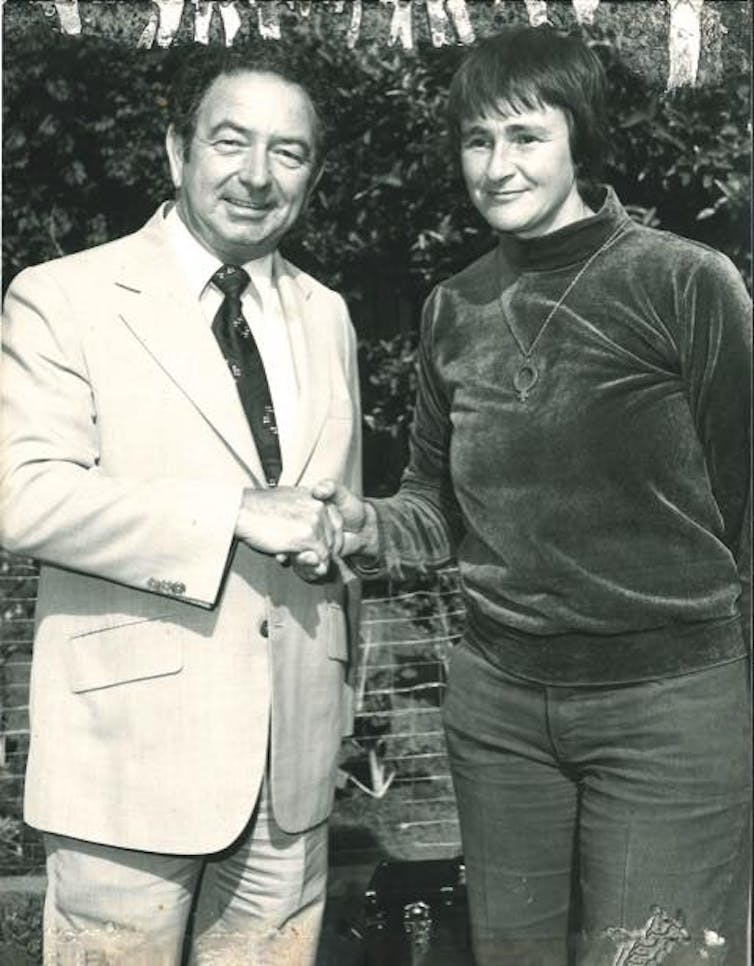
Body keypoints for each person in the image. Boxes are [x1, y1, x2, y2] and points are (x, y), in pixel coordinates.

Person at [312, 25, 752, 966]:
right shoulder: (452, 307)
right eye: (477, 140)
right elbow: (433, 505)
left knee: (654, 954)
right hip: (500, 709)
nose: (497, 166)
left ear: (578, 138)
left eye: (525, 136)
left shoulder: (684, 283)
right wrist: (362, 524)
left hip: (667, 705)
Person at [0, 48, 361, 965]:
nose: (256, 174)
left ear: (311, 174)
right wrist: (233, 511)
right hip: (130, 762)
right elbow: (24, 498)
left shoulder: (328, 313)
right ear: (176, 151)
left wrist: (341, 535)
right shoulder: (62, 297)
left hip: (295, 771)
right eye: (230, 141)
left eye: (289, 152)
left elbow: (329, 510)